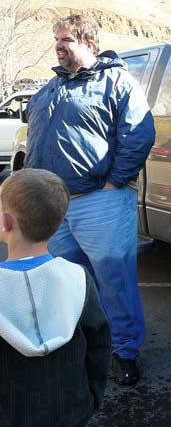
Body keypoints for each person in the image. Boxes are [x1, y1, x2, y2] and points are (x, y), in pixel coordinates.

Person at [25, 14, 156, 385]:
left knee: (114, 282)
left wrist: (115, 182)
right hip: (54, 205)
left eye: (65, 39)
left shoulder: (115, 81)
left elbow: (139, 132)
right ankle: (86, 345)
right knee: (69, 282)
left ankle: (126, 351)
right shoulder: (53, 86)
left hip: (100, 200)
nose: (58, 46)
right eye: (56, 40)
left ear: (88, 42)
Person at [0, 169, 111, 427]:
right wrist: (91, 398)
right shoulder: (77, 278)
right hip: (71, 411)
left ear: (6, 222)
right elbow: (99, 344)